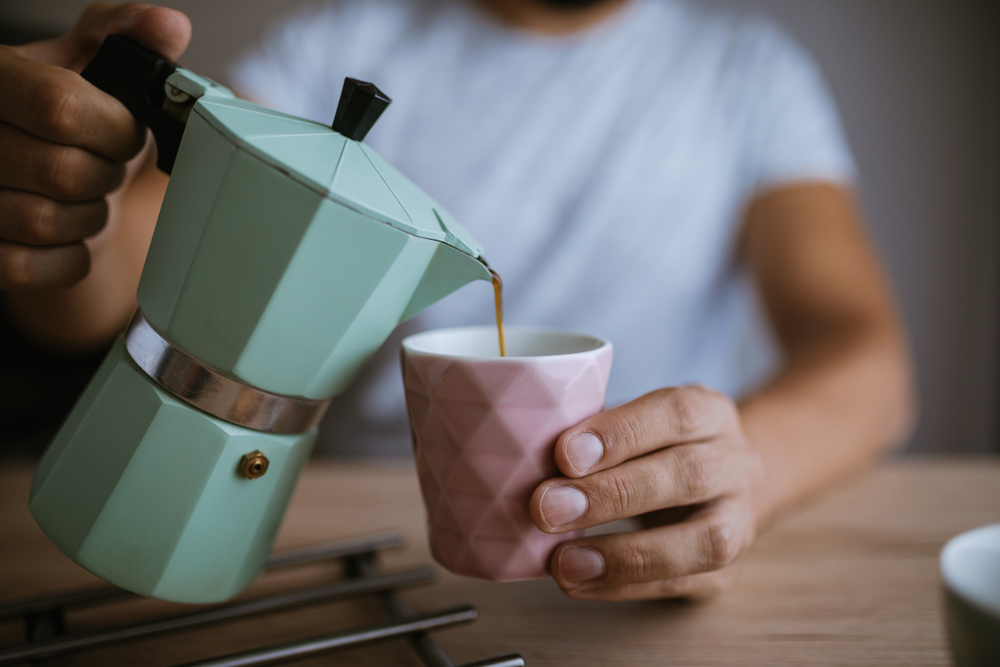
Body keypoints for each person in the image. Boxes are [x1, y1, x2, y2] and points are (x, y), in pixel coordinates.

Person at [0, 0, 914, 601]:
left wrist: (749, 464)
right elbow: (100, 285)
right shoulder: (340, 41)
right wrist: (73, 181)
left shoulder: (747, 72)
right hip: (342, 542)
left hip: (635, 548)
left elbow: (866, 355)